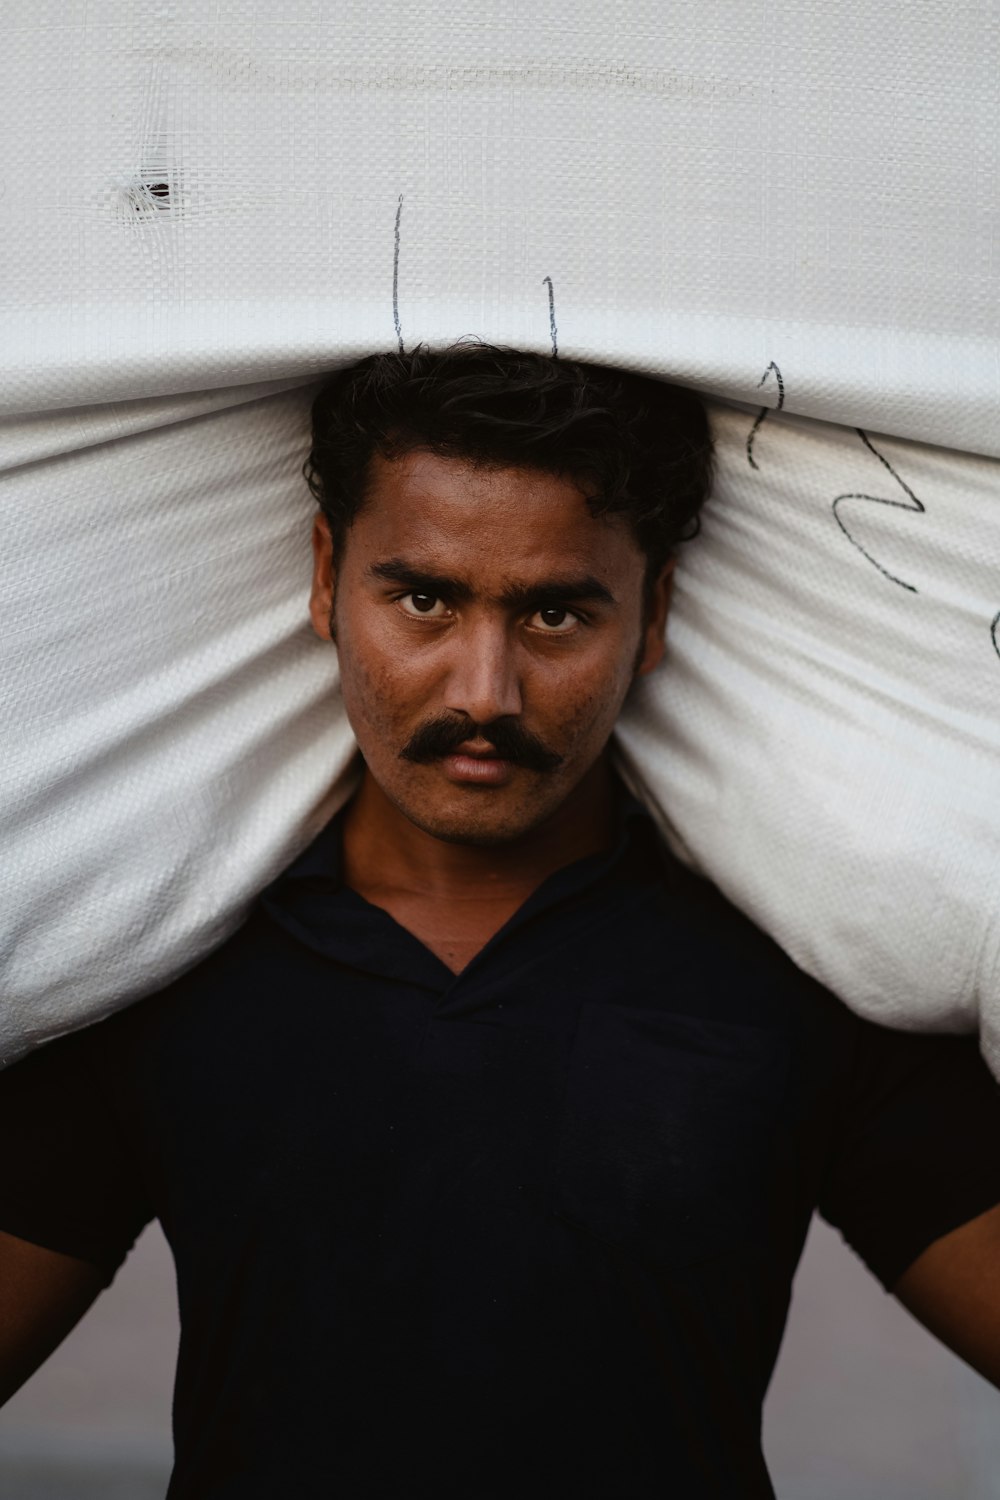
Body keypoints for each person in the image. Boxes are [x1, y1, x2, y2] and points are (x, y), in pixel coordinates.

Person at [1, 343, 999, 1499]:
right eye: (423, 598)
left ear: (655, 612)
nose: (485, 690)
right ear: (326, 579)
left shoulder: (794, 975)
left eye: (556, 614)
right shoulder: (165, 972)